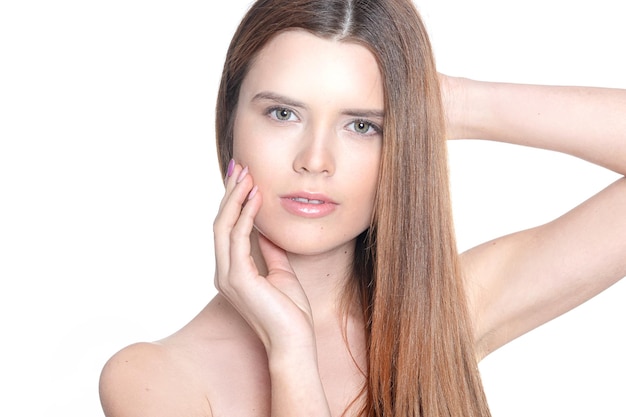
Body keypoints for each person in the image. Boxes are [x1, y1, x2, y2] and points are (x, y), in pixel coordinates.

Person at [98, 0, 626, 416]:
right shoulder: (154, 380)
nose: (315, 160)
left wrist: (446, 103)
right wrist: (291, 354)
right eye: (283, 113)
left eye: (361, 125)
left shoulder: (443, 316)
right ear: (229, 122)